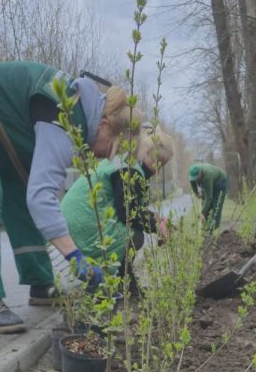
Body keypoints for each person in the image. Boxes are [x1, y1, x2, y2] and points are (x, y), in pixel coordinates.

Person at [0, 61, 138, 333]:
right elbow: (42, 196)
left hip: (1, 133)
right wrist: (75, 256)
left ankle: (41, 284)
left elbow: (35, 194)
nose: (106, 156)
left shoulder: (79, 112)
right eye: (112, 147)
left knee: (21, 199)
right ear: (105, 124)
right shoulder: (67, 114)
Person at [61, 126, 174, 298]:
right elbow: (129, 213)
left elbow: (130, 206)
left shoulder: (127, 160)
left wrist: (156, 219)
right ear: (147, 151)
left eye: (162, 165)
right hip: (82, 223)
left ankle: (124, 281)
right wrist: (156, 225)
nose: (157, 169)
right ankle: (108, 280)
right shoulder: (129, 169)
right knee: (135, 235)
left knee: (132, 231)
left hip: (76, 219)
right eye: (156, 161)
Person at [188, 161, 228, 232]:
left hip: (220, 183)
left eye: (196, 178)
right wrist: (197, 193)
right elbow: (192, 183)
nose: (195, 181)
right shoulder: (192, 172)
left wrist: (202, 213)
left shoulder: (207, 176)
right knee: (205, 205)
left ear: (200, 174)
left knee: (216, 206)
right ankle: (205, 229)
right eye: (193, 179)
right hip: (210, 182)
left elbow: (209, 197)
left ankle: (213, 230)